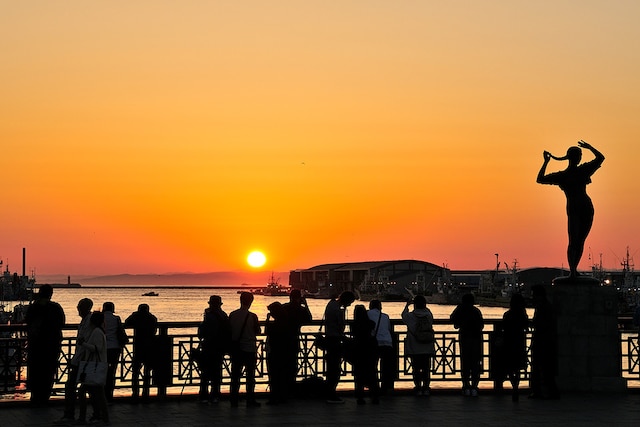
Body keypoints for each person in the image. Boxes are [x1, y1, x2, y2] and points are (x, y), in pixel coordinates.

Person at [537, 140, 605, 277]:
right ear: (573, 157)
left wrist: (546, 162)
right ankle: (572, 270)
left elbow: (540, 178)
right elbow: (540, 179)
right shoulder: (571, 173)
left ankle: (573, 270)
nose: (579, 158)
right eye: (578, 156)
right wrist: (590, 147)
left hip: (583, 207)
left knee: (578, 240)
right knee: (575, 240)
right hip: (577, 208)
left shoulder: (572, 173)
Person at [25, 284, 66, 405]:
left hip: (36, 344)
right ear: (51, 294)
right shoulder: (55, 307)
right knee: (48, 371)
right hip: (51, 345)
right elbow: (62, 323)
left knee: (35, 369)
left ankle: (35, 396)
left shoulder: (33, 307)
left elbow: (27, 321)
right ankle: (44, 396)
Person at [58, 297, 94, 423]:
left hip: (83, 360)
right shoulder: (85, 321)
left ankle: (71, 415)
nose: (77, 309)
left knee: (72, 386)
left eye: (79, 306)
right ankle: (81, 415)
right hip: (80, 359)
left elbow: (86, 342)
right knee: (85, 388)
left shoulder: (89, 322)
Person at [229, 291, 261, 408]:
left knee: (235, 376)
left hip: (236, 349)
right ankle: (250, 400)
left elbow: (229, 330)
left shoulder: (232, 315)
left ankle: (234, 399)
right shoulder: (253, 316)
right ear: (251, 302)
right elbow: (257, 331)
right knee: (250, 377)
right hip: (250, 349)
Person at [323, 290, 356, 404]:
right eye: (350, 302)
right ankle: (331, 393)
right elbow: (340, 326)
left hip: (330, 338)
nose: (350, 305)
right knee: (334, 368)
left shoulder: (331, 304)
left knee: (332, 367)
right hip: (335, 340)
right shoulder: (338, 310)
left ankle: (330, 392)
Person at [77, 311, 109, 425]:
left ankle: (94, 417)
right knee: (97, 394)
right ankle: (100, 416)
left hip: (93, 367)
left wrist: (83, 344)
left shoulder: (96, 332)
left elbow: (97, 348)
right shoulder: (100, 331)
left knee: (89, 393)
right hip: (96, 366)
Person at [197, 295, 230, 403]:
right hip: (220, 347)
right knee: (216, 372)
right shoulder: (224, 315)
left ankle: (204, 395)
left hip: (208, 346)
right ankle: (215, 394)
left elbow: (202, 333)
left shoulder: (209, 316)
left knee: (205, 372)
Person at [450, 293, 484, 396]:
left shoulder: (460, 309)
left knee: (465, 363)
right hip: (476, 339)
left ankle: (466, 386)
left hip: (465, 338)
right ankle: (474, 386)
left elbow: (452, 318)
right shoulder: (476, 311)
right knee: (475, 363)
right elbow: (481, 325)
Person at [529, 285, 559, 399]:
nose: (532, 297)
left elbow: (540, 324)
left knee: (540, 367)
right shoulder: (547, 306)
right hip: (547, 341)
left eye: (534, 295)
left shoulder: (542, 307)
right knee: (547, 368)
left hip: (542, 341)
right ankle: (549, 391)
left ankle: (540, 391)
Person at [402, 295, 435, 396]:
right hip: (427, 346)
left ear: (415, 305)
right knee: (426, 368)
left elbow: (403, 315)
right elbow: (430, 316)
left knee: (416, 368)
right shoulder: (428, 315)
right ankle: (426, 388)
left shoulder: (410, 316)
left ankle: (418, 388)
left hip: (414, 347)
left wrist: (407, 305)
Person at [281, 289, 312, 394]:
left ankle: (283, 388)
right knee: (293, 365)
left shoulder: (284, 307)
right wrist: (306, 305)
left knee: (283, 365)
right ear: (299, 298)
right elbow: (309, 319)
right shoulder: (301, 310)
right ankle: (291, 388)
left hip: (283, 340)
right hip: (294, 339)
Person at [125, 303, 158, 402]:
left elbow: (127, 323)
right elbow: (154, 331)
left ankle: (135, 393)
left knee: (135, 371)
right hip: (150, 346)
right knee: (147, 371)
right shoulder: (152, 318)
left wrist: (134, 314)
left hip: (138, 346)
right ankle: (146, 394)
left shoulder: (136, 317)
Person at [500, 293, 529, 401]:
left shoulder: (507, 314)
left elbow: (503, 327)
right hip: (519, 342)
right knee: (517, 368)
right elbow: (526, 326)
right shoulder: (522, 315)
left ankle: (512, 385)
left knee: (510, 367)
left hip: (508, 342)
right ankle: (516, 386)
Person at [351, 304, 379, 405]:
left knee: (359, 374)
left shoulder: (354, 325)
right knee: (372, 372)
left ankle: (360, 396)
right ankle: (374, 395)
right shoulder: (371, 323)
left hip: (359, 349)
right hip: (370, 348)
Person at [367, 299, 395, 394]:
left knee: (372, 365)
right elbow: (388, 328)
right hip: (387, 342)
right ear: (380, 307)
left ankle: (374, 387)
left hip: (375, 343)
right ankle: (387, 387)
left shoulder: (367, 314)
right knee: (387, 367)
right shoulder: (385, 316)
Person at [265, 301, 288, 404]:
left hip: (274, 351)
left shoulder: (275, 324)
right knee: (282, 375)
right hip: (283, 351)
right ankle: (282, 396)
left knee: (274, 375)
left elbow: (266, 331)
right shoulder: (285, 322)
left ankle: (274, 396)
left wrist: (267, 320)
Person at [102, 301, 125, 402]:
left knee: (101, 371)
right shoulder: (116, 319)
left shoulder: (99, 318)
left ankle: (100, 395)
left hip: (101, 348)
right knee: (111, 372)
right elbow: (121, 331)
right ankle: (109, 395)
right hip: (114, 348)